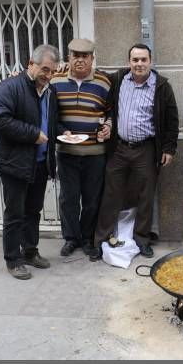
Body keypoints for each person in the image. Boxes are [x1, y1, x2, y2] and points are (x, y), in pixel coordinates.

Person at [0, 44, 65, 280]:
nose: (48, 75)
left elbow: (48, 124)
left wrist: (64, 132)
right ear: (31, 64)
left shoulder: (48, 92)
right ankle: (13, 260)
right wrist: (32, 134)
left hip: (39, 163)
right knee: (15, 213)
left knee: (33, 210)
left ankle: (30, 251)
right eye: (45, 70)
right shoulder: (9, 86)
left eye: (53, 71)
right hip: (14, 163)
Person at [93, 43, 179, 258]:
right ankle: (100, 240)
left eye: (143, 60)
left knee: (145, 196)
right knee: (111, 195)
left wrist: (169, 148)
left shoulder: (161, 86)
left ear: (150, 61)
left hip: (146, 149)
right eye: (135, 60)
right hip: (119, 148)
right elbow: (92, 75)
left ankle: (142, 239)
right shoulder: (118, 79)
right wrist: (61, 68)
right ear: (128, 62)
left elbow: (172, 120)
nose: (139, 64)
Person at [52, 39, 113, 260]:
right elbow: (51, 116)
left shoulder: (104, 82)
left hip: (95, 154)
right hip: (66, 152)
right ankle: (70, 238)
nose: (79, 59)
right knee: (68, 198)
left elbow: (111, 112)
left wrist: (107, 127)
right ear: (68, 57)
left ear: (92, 58)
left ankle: (88, 238)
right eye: (75, 55)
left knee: (91, 199)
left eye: (84, 56)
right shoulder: (55, 79)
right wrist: (63, 131)